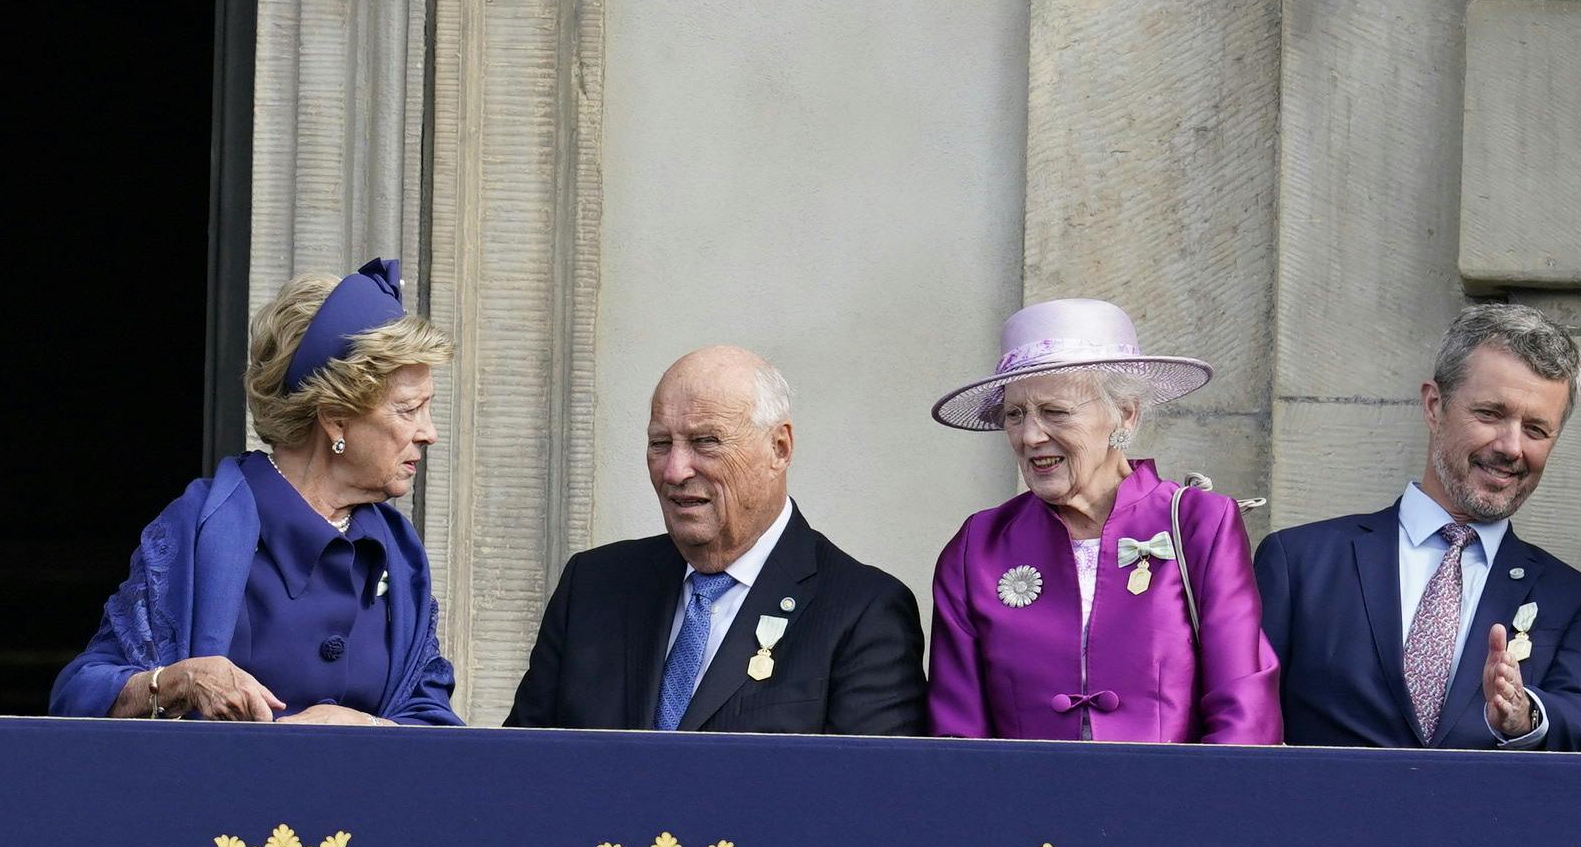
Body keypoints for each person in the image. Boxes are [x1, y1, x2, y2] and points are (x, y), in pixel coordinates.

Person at [50, 259, 459, 724]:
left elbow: (433, 719)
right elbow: (79, 695)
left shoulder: (397, 549)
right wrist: (181, 681)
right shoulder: (201, 525)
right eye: (409, 410)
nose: (429, 433)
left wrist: (370, 729)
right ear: (336, 417)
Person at [506, 345, 926, 734]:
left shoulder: (862, 610)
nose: (674, 470)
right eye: (660, 443)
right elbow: (522, 767)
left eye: (705, 442)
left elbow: (868, 798)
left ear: (779, 448)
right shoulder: (594, 585)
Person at [1255, 303, 1581, 751]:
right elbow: (1247, 724)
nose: (1511, 447)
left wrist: (1524, 714)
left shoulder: (1578, 600)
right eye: (1489, 413)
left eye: (1536, 430)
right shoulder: (1300, 563)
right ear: (1434, 406)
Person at [924, 299, 1280, 743]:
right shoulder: (980, 544)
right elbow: (958, 730)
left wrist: (1199, 809)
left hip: (1172, 804)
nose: (1031, 436)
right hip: (1020, 805)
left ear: (1124, 414)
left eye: (1055, 412)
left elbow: (1242, 711)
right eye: (1015, 415)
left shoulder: (1198, 524)